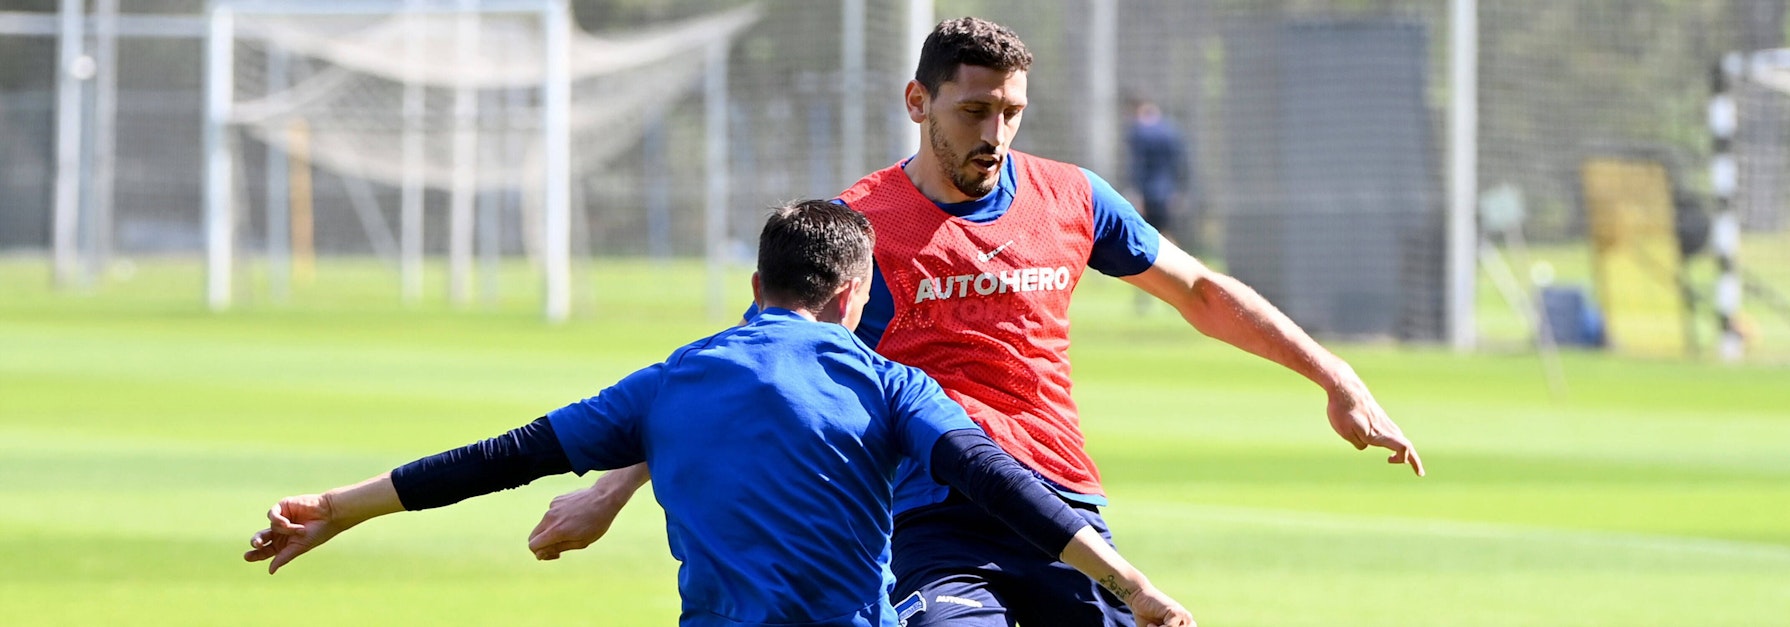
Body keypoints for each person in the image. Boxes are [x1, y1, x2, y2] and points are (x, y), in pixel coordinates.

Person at [528, 17, 1424, 626]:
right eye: (973, 110)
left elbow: (1199, 291)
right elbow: (751, 373)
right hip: (931, 518)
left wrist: (1335, 377)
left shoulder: (1071, 197)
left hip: (1062, 506)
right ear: (918, 104)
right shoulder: (858, 224)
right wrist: (609, 489)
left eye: (1010, 111)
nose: (995, 131)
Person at [242, 200, 1194, 627]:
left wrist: (342, 506)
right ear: (858, 292)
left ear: (755, 285)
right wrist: (1134, 583)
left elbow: (507, 455)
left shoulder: (668, 382)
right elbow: (1003, 484)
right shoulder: (886, 383)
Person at [1126, 99, 1187, 237]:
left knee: (1147, 236)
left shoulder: (1139, 132)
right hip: (1167, 193)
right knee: (1166, 234)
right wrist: (1180, 190)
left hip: (1148, 194)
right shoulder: (1172, 130)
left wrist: (1136, 193)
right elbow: (1181, 163)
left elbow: (1138, 166)